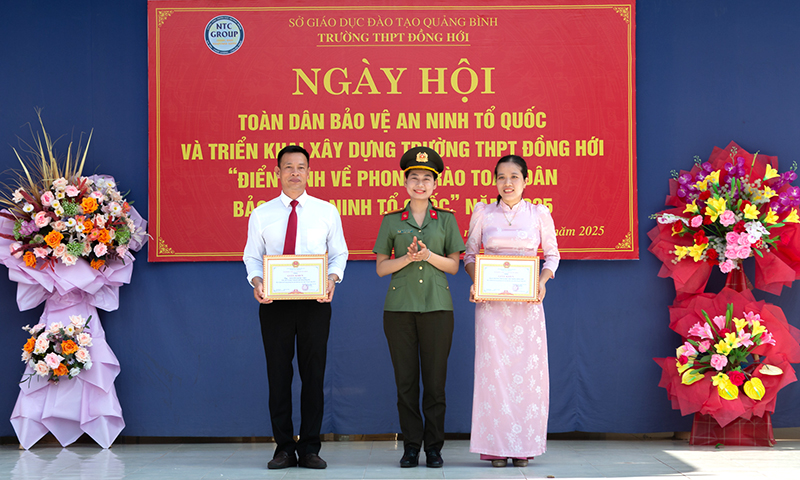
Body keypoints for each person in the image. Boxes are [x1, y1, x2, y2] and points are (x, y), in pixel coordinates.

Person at [243, 145, 348, 470]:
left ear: (309, 172)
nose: (294, 173)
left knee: (313, 375)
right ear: (277, 172)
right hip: (275, 305)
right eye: (288, 167)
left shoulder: (326, 211)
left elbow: (339, 253)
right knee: (279, 375)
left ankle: (311, 448)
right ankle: (284, 448)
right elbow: (251, 256)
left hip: (315, 303)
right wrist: (257, 282)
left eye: (300, 167)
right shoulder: (261, 214)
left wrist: (332, 278)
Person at [464, 155, 560, 468]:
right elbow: (470, 255)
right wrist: (477, 281)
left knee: (526, 375)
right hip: (491, 307)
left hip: (527, 309)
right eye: (502, 177)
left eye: (515, 177)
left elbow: (553, 255)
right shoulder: (483, 212)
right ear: (495, 181)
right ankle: (494, 446)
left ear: (526, 180)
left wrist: (543, 281)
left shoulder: (538, 213)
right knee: (494, 374)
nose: (508, 183)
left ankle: (523, 447)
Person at [373, 146, 466, 468]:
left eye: (427, 178)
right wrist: (406, 258)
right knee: (406, 383)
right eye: (414, 178)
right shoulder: (391, 221)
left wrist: (427, 256)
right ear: (405, 181)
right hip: (399, 310)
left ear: (435, 184)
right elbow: (382, 268)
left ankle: (435, 447)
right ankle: (411, 446)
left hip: (438, 309)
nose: (420, 184)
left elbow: (454, 266)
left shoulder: (447, 221)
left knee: (436, 383)